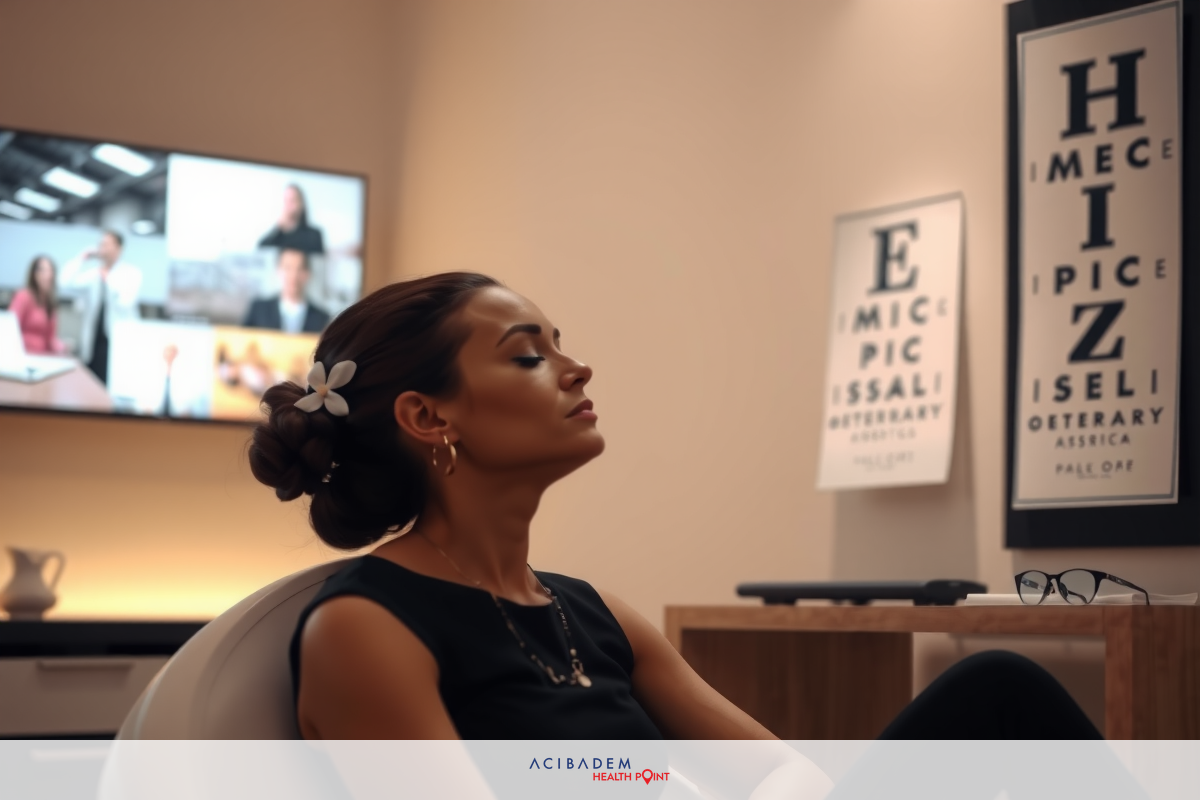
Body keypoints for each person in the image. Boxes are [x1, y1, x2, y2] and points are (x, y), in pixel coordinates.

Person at [248, 274, 1100, 762]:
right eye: (529, 355)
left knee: (997, 691)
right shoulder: (364, 628)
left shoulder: (594, 613)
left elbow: (779, 782)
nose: (577, 369)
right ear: (428, 417)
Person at [60, 230, 142, 384]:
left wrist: (107, 278)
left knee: (115, 386)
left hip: (118, 343)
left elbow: (125, 302)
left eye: (106, 244)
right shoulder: (94, 275)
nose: (101, 248)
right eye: (100, 244)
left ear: (119, 248)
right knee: (91, 385)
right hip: (94, 342)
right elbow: (65, 282)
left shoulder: (131, 273)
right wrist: (81, 258)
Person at [242, 248, 331, 334]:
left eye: (299, 269)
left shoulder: (322, 319)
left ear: (308, 273)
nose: (293, 276)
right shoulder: (259, 311)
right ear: (278, 270)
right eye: (288, 268)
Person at [9, 255, 67, 354]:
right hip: (24, 354)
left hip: (43, 356)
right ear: (34, 274)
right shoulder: (23, 296)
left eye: (51, 271)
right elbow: (10, 329)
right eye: (43, 271)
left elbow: (50, 339)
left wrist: (62, 347)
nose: (48, 275)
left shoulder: (50, 303)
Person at [258, 183, 325, 255]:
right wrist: (278, 228)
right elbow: (261, 249)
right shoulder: (277, 235)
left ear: (301, 204)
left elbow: (318, 259)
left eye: (292, 201)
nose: (288, 205)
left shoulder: (313, 235)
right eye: (286, 201)